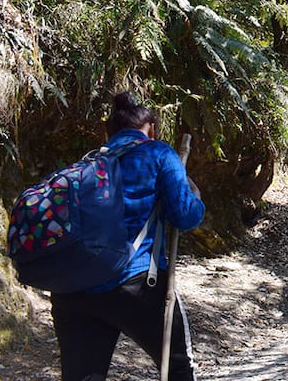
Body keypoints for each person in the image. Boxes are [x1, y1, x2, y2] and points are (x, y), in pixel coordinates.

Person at [49, 92, 205, 381]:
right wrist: (195, 196)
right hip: (134, 283)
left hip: (72, 290)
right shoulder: (159, 153)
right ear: (151, 129)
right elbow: (185, 216)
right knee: (177, 368)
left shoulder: (88, 164)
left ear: (108, 132)